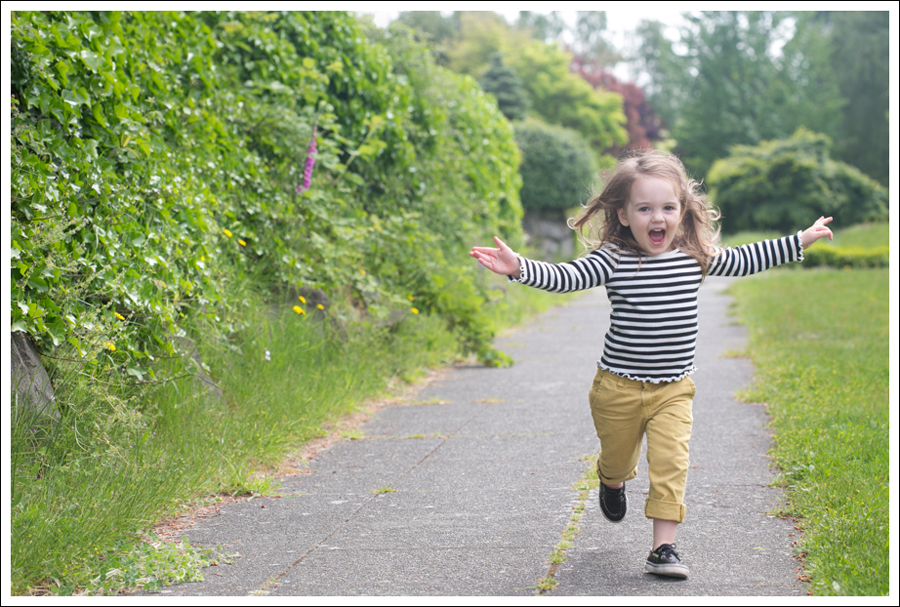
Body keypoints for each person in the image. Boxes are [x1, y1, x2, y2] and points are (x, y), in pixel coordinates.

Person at [469, 149, 833, 579]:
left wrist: (799, 240)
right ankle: (611, 479)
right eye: (644, 209)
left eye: (667, 208)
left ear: (682, 211)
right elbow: (567, 277)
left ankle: (664, 548)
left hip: (674, 389)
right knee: (618, 460)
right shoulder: (613, 259)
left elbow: (746, 258)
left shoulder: (695, 256)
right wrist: (519, 267)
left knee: (671, 464)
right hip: (617, 389)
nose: (657, 217)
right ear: (624, 215)